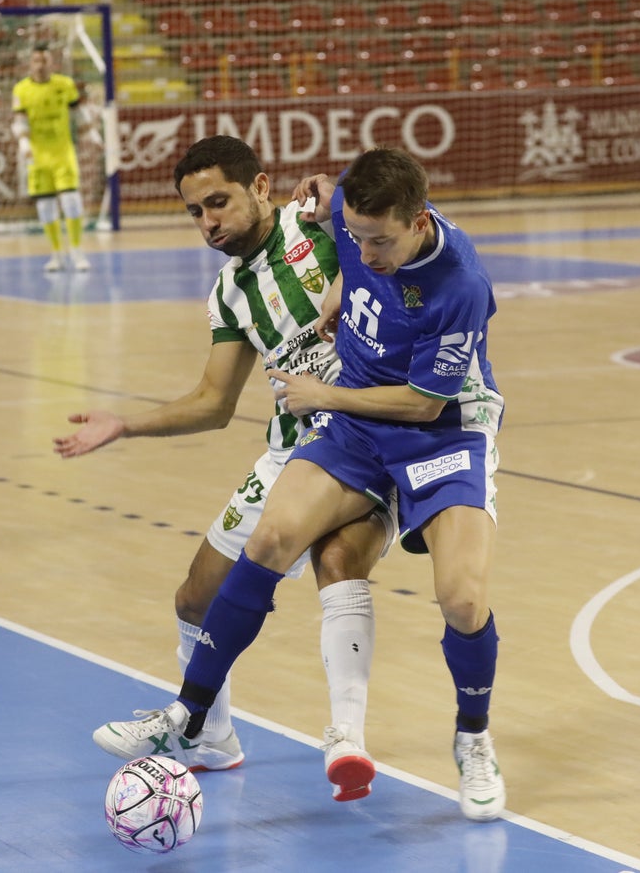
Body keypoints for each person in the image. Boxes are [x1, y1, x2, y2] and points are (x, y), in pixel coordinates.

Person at [97, 147, 508, 822]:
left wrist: (324, 393)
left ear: (419, 221)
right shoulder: (346, 213)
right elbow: (344, 207)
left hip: (442, 430)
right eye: (358, 236)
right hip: (356, 421)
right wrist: (345, 293)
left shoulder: (460, 284)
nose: (366, 250)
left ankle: (473, 739)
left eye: (382, 242)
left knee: (462, 599)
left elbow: (424, 406)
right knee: (271, 539)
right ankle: (189, 715)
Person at [55, 136, 393, 800]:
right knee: (195, 595)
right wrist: (126, 424)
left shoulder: (313, 223)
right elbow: (213, 403)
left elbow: (394, 210)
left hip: (364, 427)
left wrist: (342, 200)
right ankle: (210, 735)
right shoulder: (229, 293)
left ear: (260, 187)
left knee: (337, 562)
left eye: (218, 202)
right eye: (194, 212)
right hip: (289, 442)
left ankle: (347, 737)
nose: (208, 221)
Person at [11, 43, 95, 274]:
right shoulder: (21, 90)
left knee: (72, 202)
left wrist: (90, 132)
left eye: (44, 61)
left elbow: (77, 111)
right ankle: (57, 254)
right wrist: (24, 142)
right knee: (46, 207)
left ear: (51, 63)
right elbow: (20, 121)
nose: (40, 65)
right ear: (30, 63)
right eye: (36, 61)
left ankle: (77, 252)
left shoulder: (64, 84)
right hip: (37, 156)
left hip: (63, 153)